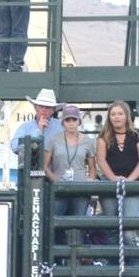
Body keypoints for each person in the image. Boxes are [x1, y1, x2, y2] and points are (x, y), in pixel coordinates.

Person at [95, 100, 139, 245]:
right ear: (109, 117)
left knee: (129, 233)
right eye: (113, 114)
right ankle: (113, 266)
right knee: (112, 230)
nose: (116, 117)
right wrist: (113, 178)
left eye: (120, 113)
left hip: (131, 186)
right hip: (109, 185)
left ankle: (131, 266)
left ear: (127, 115)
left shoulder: (138, 135)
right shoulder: (103, 136)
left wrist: (130, 180)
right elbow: (101, 160)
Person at [43, 104, 95, 245]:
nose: (71, 123)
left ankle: (76, 261)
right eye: (68, 120)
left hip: (80, 189)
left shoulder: (88, 141)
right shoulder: (53, 139)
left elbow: (92, 167)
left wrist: (89, 181)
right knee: (56, 225)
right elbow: (45, 165)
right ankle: (57, 261)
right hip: (59, 189)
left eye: (74, 119)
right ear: (63, 122)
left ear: (79, 121)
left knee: (78, 227)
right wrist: (55, 179)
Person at [10, 88, 64, 156]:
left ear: (53, 110)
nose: (44, 110)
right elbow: (14, 147)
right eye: (41, 106)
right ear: (35, 108)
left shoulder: (61, 127)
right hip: (32, 166)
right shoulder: (25, 127)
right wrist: (38, 132)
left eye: (48, 107)